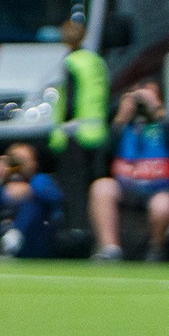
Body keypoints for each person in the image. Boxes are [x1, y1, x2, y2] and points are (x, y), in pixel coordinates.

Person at [91, 83, 169, 261]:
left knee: (162, 206)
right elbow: (102, 158)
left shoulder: (165, 126)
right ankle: (110, 250)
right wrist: (120, 118)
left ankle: (156, 250)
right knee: (101, 187)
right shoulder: (123, 127)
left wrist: (155, 108)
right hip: (125, 188)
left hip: (159, 190)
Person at [44, 14, 109, 247]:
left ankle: (77, 232)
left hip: (76, 134)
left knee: (74, 189)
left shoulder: (71, 62)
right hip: (98, 132)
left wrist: (61, 129)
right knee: (95, 187)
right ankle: (98, 235)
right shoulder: (96, 61)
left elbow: (70, 101)